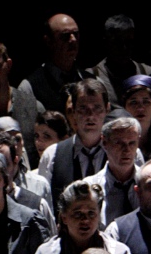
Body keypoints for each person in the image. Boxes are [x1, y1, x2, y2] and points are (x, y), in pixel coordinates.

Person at [37, 79, 110, 207]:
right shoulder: (52, 154)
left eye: (97, 108)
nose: (90, 115)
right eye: (83, 109)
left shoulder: (121, 151)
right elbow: (43, 207)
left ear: (107, 109)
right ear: (73, 111)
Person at [16, 13, 85, 120]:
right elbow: (26, 135)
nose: (73, 40)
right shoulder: (29, 88)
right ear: (49, 41)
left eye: (76, 34)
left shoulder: (92, 80)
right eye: (65, 35)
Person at [86, 116, 143, 226]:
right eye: (119, 143)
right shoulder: (89, 188)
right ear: (105, 143)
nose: (126, 150)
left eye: (132, 143)